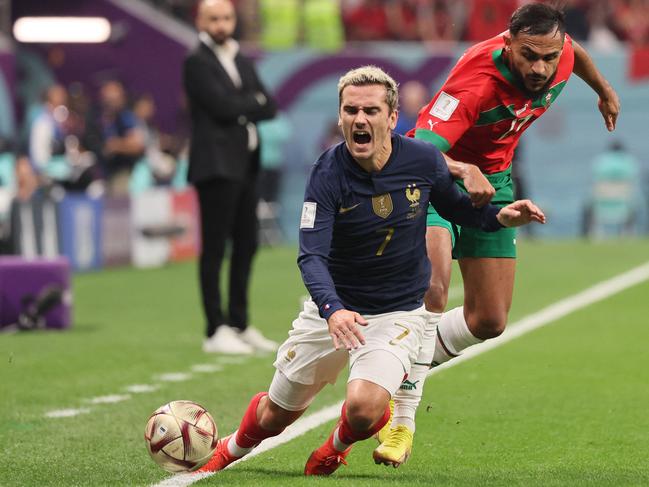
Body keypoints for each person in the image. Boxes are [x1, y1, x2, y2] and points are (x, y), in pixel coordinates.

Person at [195, 65, 545, 477]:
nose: (360, 120)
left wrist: (500, 217)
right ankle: (231, 448)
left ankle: (337, 445)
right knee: (275, 415)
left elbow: (458, 210)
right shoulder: (326, 174)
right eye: (351, 111)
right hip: (335, 311)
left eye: (371, 111)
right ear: (341, 116)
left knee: (363, 410)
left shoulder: (423, 160)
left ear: (392, 118)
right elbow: (311, 256)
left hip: (396, 314)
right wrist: (333, 309)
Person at [374, 3, 620, 467]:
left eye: (549, 57)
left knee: (489, 320)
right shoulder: (475, 84)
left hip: (496, 181)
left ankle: (394, 361)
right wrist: (464, 169)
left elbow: (575, 52)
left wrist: (603, 90)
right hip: (436, 178)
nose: (541, 68)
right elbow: (412, 152)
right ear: (508, 44)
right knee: (434, 288)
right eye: (530, 56)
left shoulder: (558, 52)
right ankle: (401, 417)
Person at [183, 0, 279, 354]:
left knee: (247, 244)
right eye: (214, 19)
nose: (221, 24)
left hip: (244, 165)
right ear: (201, 21)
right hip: (216, 166)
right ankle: (215, 328)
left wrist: (242, 103)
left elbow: (269, 105)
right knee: (214, 248)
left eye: (226, 18)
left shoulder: (239, 58)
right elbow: (221, 108)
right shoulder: (197, 62)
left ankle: (239, 322)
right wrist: (247, 102)